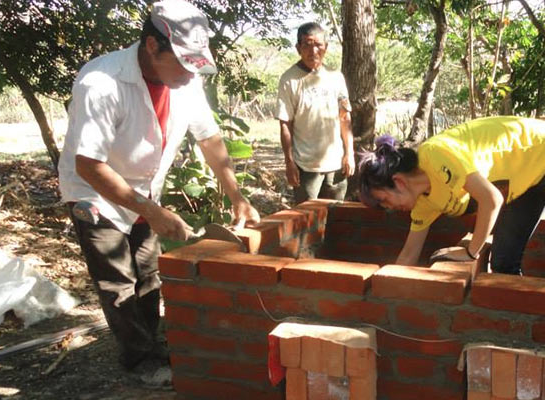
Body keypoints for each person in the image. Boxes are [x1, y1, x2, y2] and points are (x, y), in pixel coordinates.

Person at [57, 0, 260, 383]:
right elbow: (89, 164)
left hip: (143, 189)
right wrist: (150, 211)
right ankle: (139, 358)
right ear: (152, 45)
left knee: (148, 272)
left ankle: (152, 341)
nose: (189, 73)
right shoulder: (101, 83)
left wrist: (236, 195)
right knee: (118, 281)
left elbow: (209, 137)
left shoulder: (187, 80)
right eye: (182, 63)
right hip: (95, 191)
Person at [357, 116, 545, 283]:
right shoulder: (424, 202)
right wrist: (380, 289)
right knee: (503, 263)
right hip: (522, 181)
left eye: (384, 201)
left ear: (398, 181)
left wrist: (471, 252)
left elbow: (491, 199)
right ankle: (517, 329)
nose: (389, 209)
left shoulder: (435, 155)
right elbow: (408, 254)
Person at [276, 22, 354, 204]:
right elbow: (285, 124)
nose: (313, 51)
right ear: (298, 48)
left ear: (325, 47)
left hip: (336, 165)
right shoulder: (289, 80)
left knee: (336, 217)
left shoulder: (336, 77)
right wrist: (289, 162)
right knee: (306, 222)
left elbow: (345, 118)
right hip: (306, 167)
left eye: (318, 45)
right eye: (307, 45)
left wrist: (349, 153)